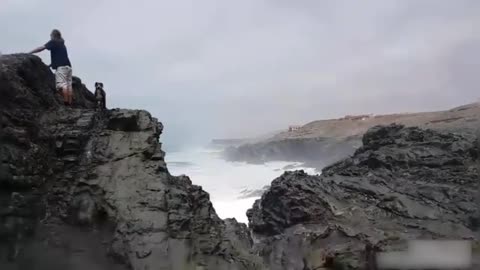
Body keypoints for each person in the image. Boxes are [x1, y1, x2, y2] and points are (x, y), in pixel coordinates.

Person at [30, 29, 73, 106]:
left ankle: (66, 103)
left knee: (61, 85)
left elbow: (41, 48)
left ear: (53, 35)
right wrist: (49, 65)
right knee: (68, 85)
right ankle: (69, 103)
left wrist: (30, 52)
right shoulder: (62, 44)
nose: (50, 37)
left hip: (61, 67)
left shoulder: (54, 41)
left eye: (50, 35)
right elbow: (59, 58)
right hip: (68, 67)